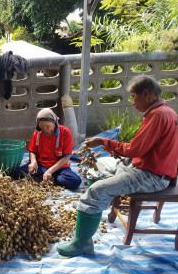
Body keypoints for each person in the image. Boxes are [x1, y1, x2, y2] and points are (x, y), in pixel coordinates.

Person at [57, 75, 178, 257]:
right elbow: (143, 148)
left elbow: (136, 148)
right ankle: (96, 209)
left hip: (151, 176)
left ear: (145, 94)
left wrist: (105, 142)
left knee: (96, 190)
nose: (132, 102)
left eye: (133, 97)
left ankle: (82, 243)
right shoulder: (164, 110)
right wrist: (118, 149)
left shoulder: (159, 115)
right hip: (144, 167)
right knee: (97, 165)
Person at [12, 108, 82, 189]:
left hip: (59, 168)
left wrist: (50, 171)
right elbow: (32, 151)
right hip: (41, 166)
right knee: (16, 173)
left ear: (54, 122)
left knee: (75, 181)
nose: (45, 129)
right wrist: (33, 162)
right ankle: (47, 177)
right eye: (41, 126)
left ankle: (50, 177)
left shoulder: (65, 132)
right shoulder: (38, 133)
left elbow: (66, 157)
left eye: (47, 126)